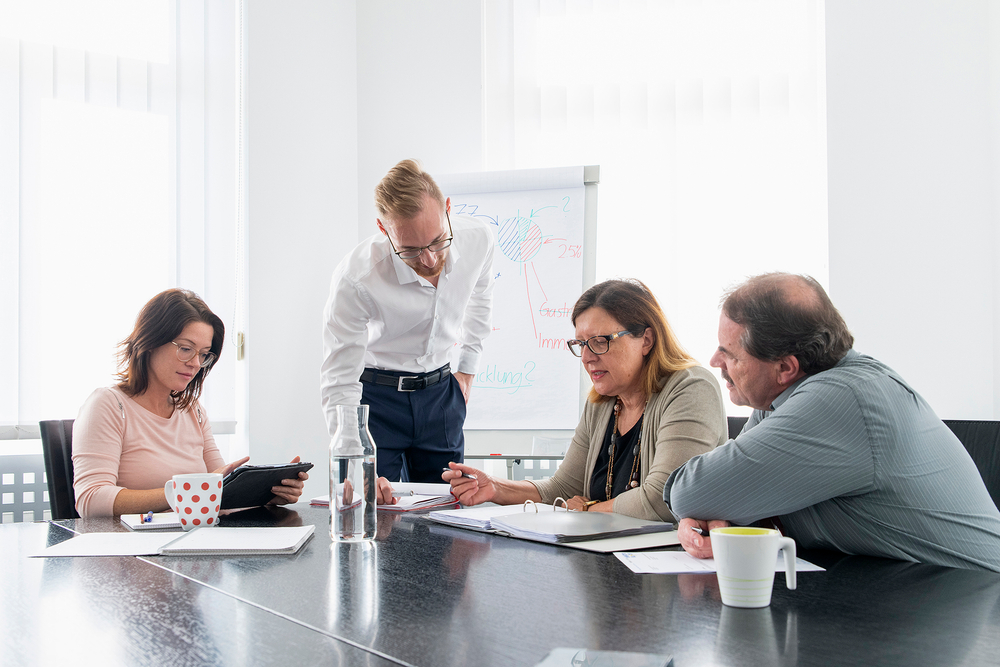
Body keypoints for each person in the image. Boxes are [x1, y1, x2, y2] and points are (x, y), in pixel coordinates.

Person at [666, 272, 1000, 572]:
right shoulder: (785, 395)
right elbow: (723, 492)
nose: (714, 361)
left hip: (976, 606)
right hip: (905, 593)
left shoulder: (840, 400)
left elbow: (690, 492)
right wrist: (707, 519)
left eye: (731, 355)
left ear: (785, 368)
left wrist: (707, 509)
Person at [445, 279, 728, 520]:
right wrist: (495, 487)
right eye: (581, 344)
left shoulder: (691, 388)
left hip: (666, 567)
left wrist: (587, 510)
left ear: (646, 340)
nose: (587, 356)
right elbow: (565, 487)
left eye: (600, 341)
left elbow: (664, 497)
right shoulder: (602, 403)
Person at [321, 159, 495, 483]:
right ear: (384, 229)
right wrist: (354, 460)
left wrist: (468, 369)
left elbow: (480, 300)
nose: (429, 260)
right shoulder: (356, 278)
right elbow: (339, 378)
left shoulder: (478, 240)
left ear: (447, 208)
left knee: (445, 513)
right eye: (411, 250)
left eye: (437, 241)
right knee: (376, 513)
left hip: (442, 394)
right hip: (377, 399)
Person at [73, 289, 308, 518]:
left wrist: (267, 495)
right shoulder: (108, 405)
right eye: (186, 349)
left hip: (192, 545)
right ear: (150, 342)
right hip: (134, 549)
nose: (195, 363)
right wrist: (187, 491)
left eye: (204, 354)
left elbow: (221, 491)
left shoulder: (193, 412)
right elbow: (91, 500)